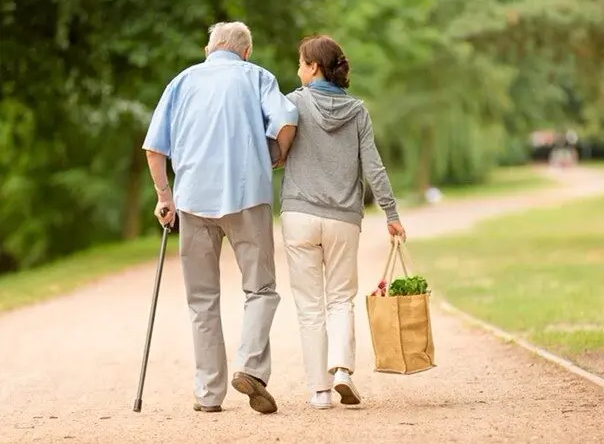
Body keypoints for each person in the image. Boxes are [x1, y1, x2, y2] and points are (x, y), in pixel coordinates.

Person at [142, 21, 298, 414]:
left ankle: (209, 394)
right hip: (248, 196)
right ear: (245, 51)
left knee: (202, 300)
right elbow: (287, 121)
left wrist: (165, 196)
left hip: (193, 199)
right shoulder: (258, 77)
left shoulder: (181, 81)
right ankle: (249, 366)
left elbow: (154, 149)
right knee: (261, 290)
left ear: (209, 48)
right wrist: (275, 157)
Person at [279, 35, 406, 410]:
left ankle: (319, 391)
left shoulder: (293, 103)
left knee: (309, 306)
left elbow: (274, 149)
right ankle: (343, 372)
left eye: (301, 63)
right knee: (339, 300)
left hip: (300, 214)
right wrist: (391, 214)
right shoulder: (358, 111)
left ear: (314, 67)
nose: (298, 70)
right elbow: (374, 168)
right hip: (343, 220)